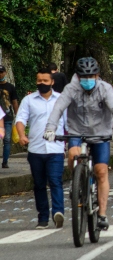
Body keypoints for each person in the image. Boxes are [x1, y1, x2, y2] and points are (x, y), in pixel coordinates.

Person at [45, 57, 113, 232]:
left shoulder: (105, 89)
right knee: (73, 155)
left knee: (101, 172)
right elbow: (58, 108)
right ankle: (77, 183)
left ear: (97, 75)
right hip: (77, 132)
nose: (87, 80)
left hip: (101, 134)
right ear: (78, 75)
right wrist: (50, 129)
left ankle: (102, 214)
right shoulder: (71, 89)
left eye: (91, 76)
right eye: (84, 76)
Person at [15, 68, 68, 229]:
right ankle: (43, 218)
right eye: (39, 81)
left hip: (56, 149)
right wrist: (22, 135)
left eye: (45, 81)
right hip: (36, 149)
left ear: (52, 82)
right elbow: (21, 119)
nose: (42, 83)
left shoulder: (61, 100)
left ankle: (58, 212)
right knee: (38, 185)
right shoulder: (28, 100)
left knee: (55, 181)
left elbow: (69, 123)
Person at [0, 65, 20, 169]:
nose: (0, 74)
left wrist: (18, 116)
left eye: (2, 72)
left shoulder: (10, 87)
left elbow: (14, 102)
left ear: (5, 73)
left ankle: (5, 161)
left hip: (7, 118)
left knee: (7, 140)